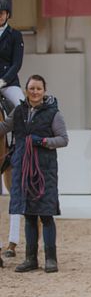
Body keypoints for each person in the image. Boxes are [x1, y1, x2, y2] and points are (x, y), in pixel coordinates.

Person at [0, 75, 69, 273]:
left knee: (46, 215)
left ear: (44, 91)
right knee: (29, 215)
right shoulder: (19, 110)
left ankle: (50, 258)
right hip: (23, 167)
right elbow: (4, 127)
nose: (35, 92)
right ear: (27, 90)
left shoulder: (53, 114)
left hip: (44, 169)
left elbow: (63, 139)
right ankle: (30, 258)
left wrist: (44, 142)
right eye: (31, 88)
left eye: (38, 89)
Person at [0, 0, 26, 260]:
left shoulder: (15, 35)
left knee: (21, 105)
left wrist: (3, 80)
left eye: (2, 13)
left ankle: (20, 145)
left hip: (7, 81)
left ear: (7, 15)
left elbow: (17, 62)